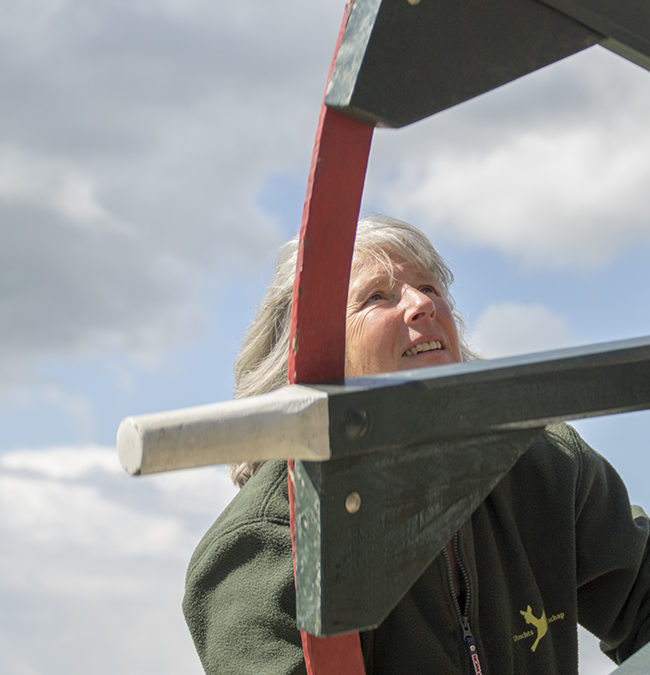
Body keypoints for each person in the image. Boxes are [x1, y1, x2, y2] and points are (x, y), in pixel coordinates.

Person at [183, 215, 650, 673]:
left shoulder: (543, 460)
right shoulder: (263, 543)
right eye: (377, 297)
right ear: (307, 355)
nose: (422, 305)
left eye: (430, 288)